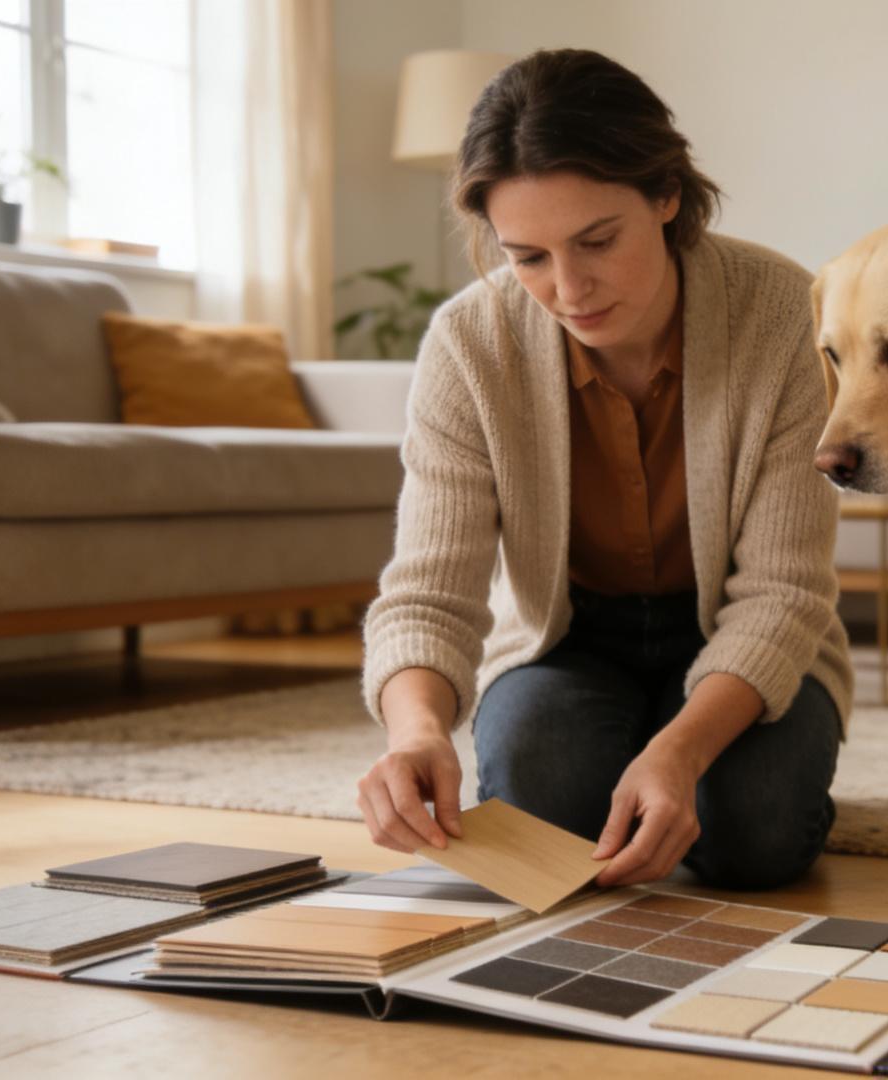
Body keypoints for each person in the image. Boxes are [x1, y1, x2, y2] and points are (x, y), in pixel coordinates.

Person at [355, 49, 852, 891]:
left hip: (744, 636)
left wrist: (681, 749)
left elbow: (781, 597)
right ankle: (639, 764)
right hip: (565, 640)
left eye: (596, 241)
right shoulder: (469, 343)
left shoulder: (783, 315)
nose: (569, 287)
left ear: (665, 195)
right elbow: (429, 589)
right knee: (544, 808)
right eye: (528, 257)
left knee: (756, 834)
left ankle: (694, 761)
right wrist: (418, 735)